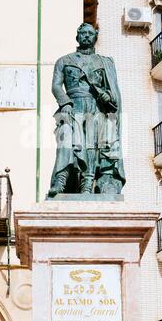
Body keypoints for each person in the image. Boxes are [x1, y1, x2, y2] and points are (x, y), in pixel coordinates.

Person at [48, 23, 125, 196]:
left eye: (91, 34)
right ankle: (60, 180)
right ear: (78, 36)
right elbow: (56, 86)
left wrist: (107, 96)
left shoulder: (104, 62)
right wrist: (65, 103)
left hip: (95, 106)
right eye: (83, 33)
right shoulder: (64, 60)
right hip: (72, 106)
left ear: (95, 37)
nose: (87, 36)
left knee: (92, 145)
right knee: (65, 139)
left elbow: (113, 92)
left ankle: (87, 183)